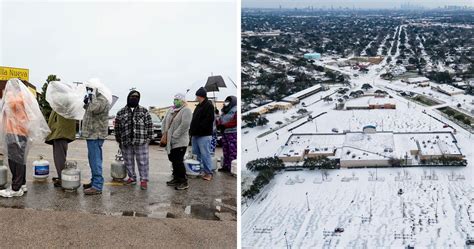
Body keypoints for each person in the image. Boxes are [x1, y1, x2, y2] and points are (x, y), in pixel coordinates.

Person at [0, 79, 50, 198]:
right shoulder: (26, 97)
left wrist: (7, 95)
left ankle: (15, 188)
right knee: (20, 160)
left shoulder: (15, 98)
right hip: (22, 133)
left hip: (14, 133)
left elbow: (9, 106)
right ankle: (21, 184)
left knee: (14, 161)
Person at [114, 90, 152, 190]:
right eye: (132, 97)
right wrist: (118, 139)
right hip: (125, 141)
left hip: (141, 141)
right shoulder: (121, 112)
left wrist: (148, 138)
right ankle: (132, 177)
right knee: (128, 161)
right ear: (128, 98)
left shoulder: (144, 111)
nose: (134, 99)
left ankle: (144, 180)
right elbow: (117, 127)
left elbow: (149, 125)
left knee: (143, 162)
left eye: (136, 97)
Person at [81, 79, 111, 195]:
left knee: (95, 160)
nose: (88, 90)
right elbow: (89, 109)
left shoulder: (102, 99)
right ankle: (94, 181)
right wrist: (86, 102)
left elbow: (94, 109)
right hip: (91, 134)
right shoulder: (95, 99)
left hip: (96, 134)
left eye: (89, 88)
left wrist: (91, 97)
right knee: (92, 159)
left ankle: (97, 186)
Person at [161, 93, 192, 190]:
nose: (175, 101)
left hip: (180, 141)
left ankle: (183, 181)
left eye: (177, 99)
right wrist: (164, 133)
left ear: (182, 101)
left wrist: (174, 136)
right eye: (174, 99)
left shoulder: (186, 110)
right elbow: (164, 121)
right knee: (173, 160)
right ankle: (176, 178)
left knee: (178, 161)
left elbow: (185, 125)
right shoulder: (171, 110)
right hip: (170, 140)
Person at [45, 110, 76, 187]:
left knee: (59, 157)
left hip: (60, 132)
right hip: (61, 131)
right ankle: (61, 176)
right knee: (60, 156)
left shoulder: (61, 102)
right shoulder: (64, 103)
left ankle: (62, 178)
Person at [189, 87, 215, 181]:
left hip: (204, 135)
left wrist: (198, 129)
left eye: (197, 95)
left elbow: (209, 120)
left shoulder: (208, 105)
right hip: (195, 135)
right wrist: (192, 131)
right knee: (196, 154)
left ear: (200, 96)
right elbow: (194, 120)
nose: (196, 97)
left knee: (205, 154)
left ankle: (208, 173)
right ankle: (197, 170)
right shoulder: (198, 106)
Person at [217, 96, 237, 173]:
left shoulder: (235, 109)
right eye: (226, 101)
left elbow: (235, 121)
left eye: (228, 101)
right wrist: (219, 124)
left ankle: (233, 168)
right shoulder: (224, 110)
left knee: (233, 151)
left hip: (232, 132)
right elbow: (221, 119)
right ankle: (226, 166)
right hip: (224, 132)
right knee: (226, 150)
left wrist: (225, 125)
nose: (226, 103)